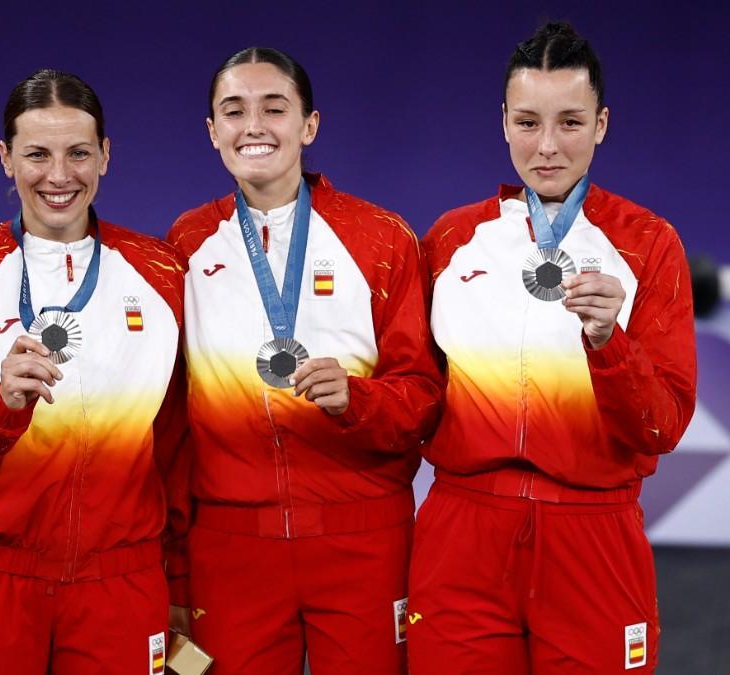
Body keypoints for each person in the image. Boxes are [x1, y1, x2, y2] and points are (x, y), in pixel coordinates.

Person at [408, 21, 696, 674]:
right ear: (503, 122)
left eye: (569, 122)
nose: (546, 147)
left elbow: (665, 423)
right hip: (463, 530)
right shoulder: (450, 240)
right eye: (528, 122)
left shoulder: (649, 243)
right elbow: (415, 390)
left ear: (601, 124)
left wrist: (608, 342)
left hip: (593, 531)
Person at [166, 47, 442, 673]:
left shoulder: (380, 239)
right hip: (229, 545)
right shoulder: (184, 246)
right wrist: (175, 558)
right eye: (233, 111)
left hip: (363, 538)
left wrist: (358, 399)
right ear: (213, 132)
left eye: (274, 108)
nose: (254, 126)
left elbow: (425, 395)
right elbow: (172, 420)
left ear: (309, 125)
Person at [0, 69, 187, 675]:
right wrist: (1, 407)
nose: (59, 176)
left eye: (78, 153)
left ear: (106, 157)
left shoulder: (163, 275)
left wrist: (181, 577)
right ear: (6, 159)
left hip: (121, 578)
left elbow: (176, 445)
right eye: (37, 154)